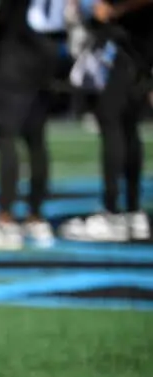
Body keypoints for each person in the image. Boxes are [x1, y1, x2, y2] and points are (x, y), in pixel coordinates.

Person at [0, 0, 67, 250]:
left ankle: (5, 216)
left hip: (14, 60)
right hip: (46, 61)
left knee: (7, 139)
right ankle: (36, 215)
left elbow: (2, 18)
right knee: (36, 140)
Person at [60, 0, 152, 242]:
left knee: (113, 123)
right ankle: (132, 209)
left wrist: (115, 10)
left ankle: (113, 212)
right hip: (137, 48)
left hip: (126, 47)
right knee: (128, 127)